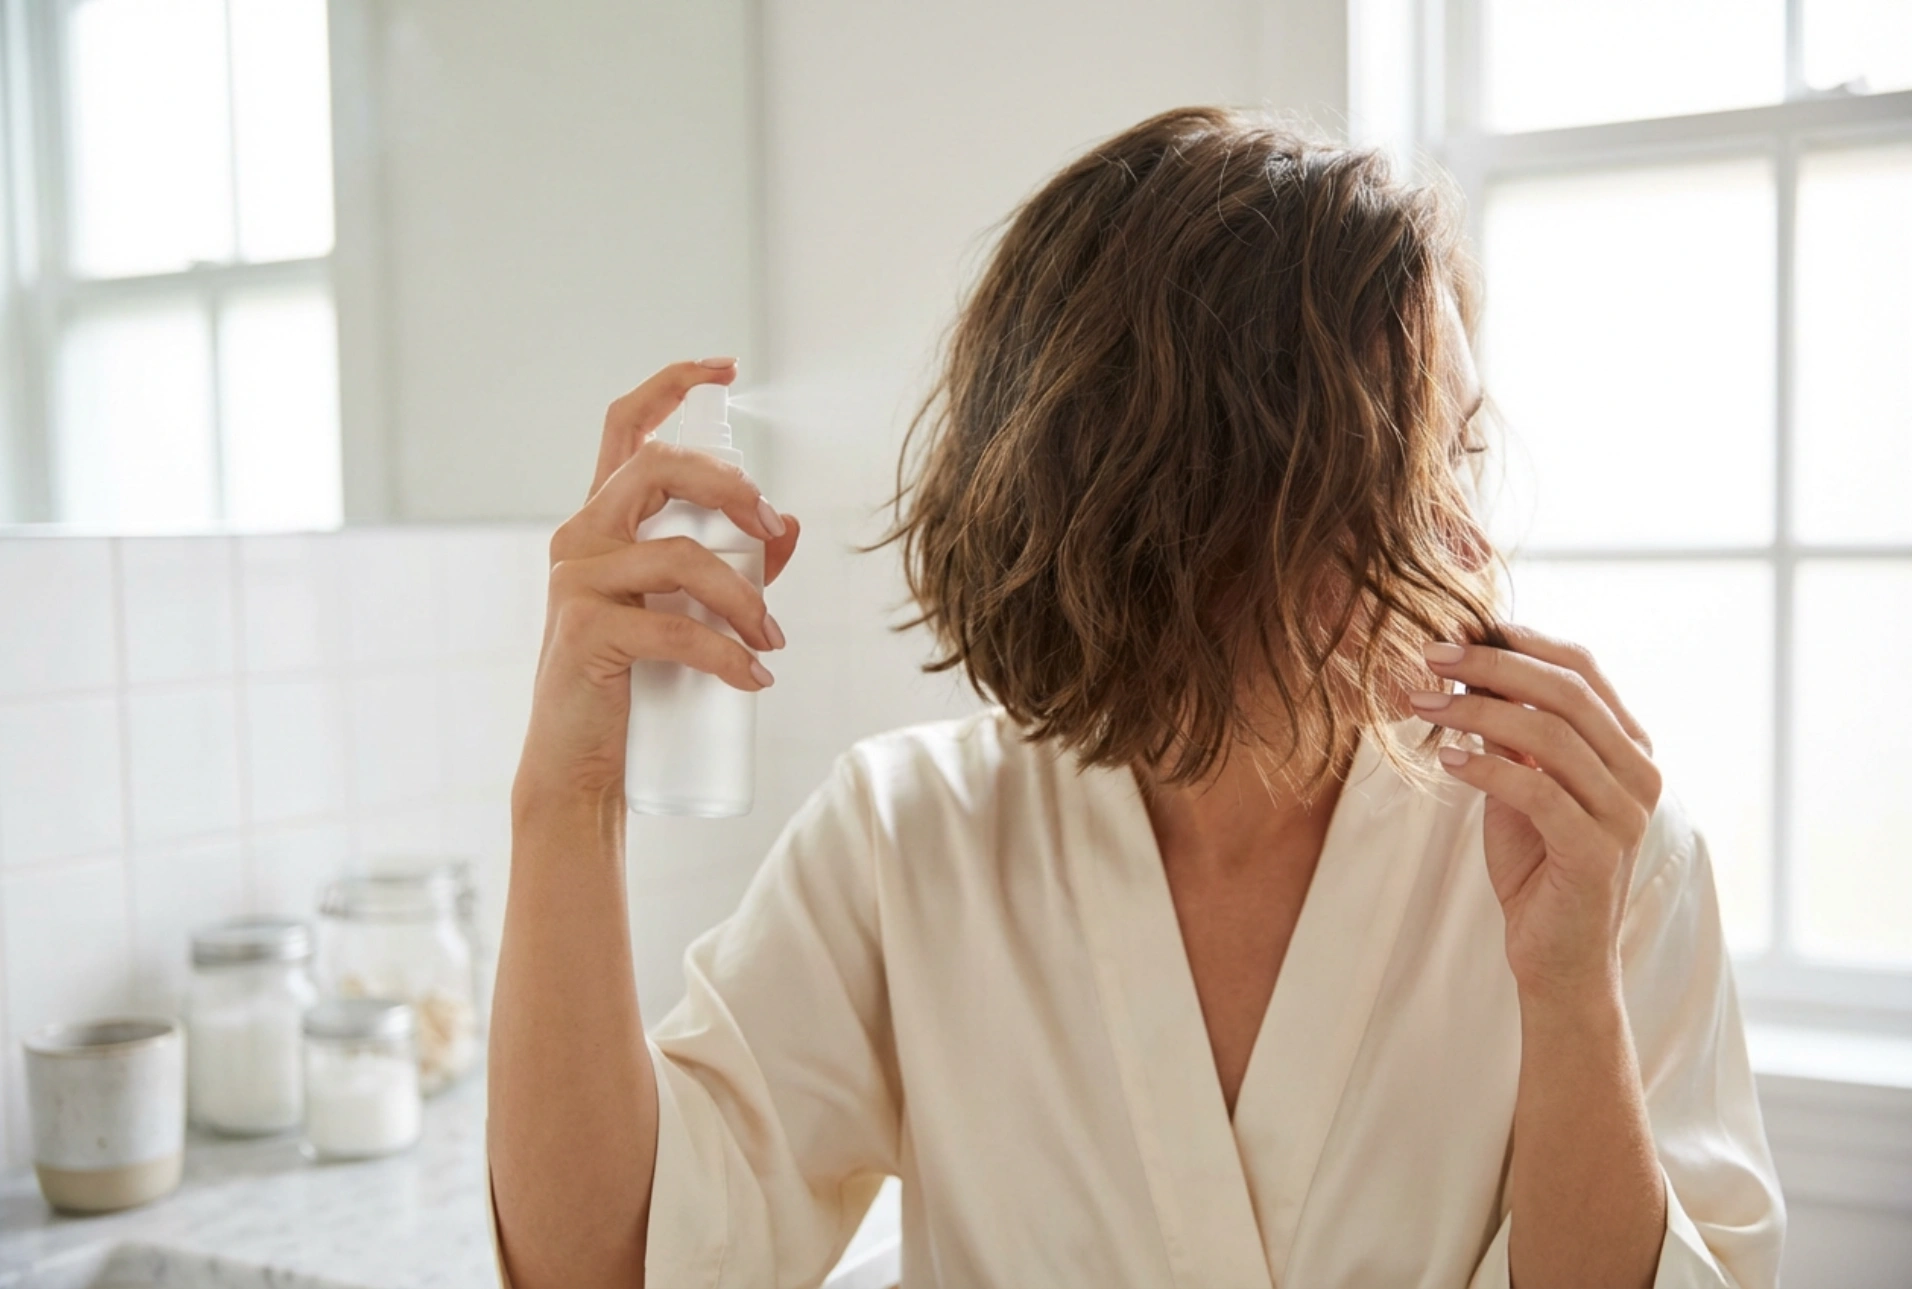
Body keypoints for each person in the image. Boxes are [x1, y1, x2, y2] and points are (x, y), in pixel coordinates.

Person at [486, 106, 1783, 1289]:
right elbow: (610, 1267)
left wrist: (1570, 992)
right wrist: (568, 796)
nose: (1466, 547)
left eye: (1463, 456)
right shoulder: (905, 841)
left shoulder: (1589, 861)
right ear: (1187, 510)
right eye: (1399, 477)